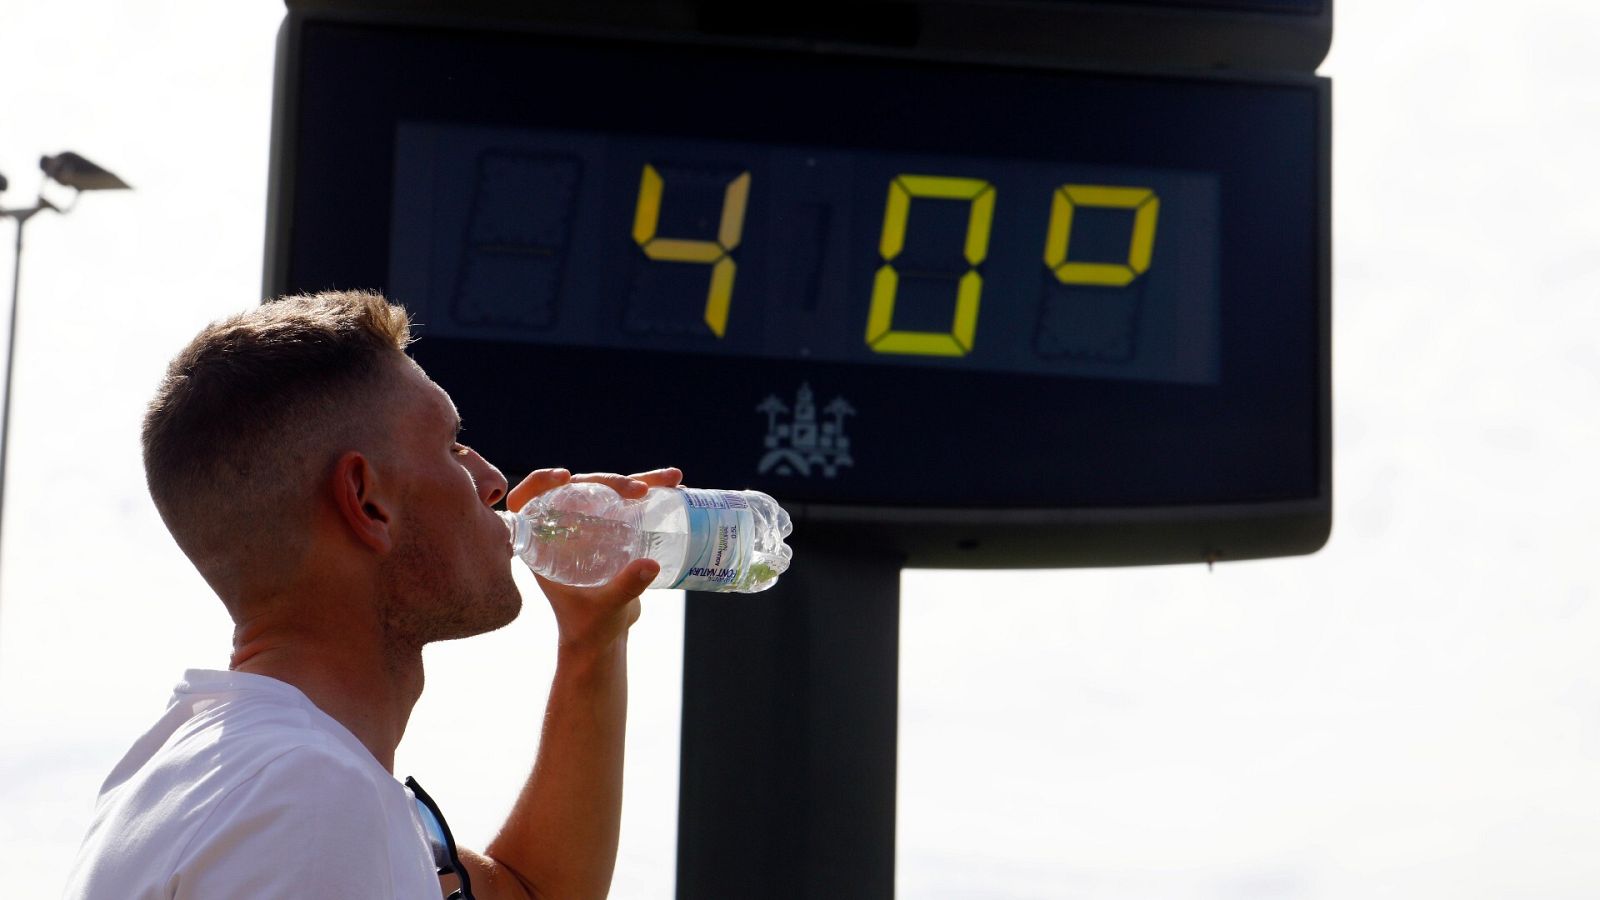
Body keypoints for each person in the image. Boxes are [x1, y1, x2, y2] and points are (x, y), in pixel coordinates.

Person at [63, 290, 678, 899]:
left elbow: (533, 891)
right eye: (452, 446)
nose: (494, 482)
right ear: (367, 500)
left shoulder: (205, 774)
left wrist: (593, 644)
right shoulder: (309, 798)